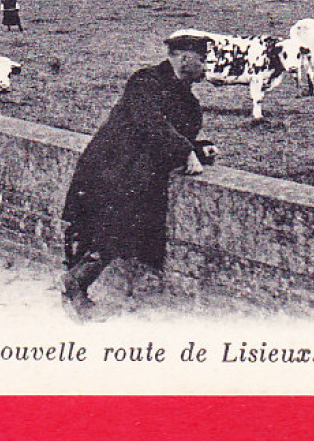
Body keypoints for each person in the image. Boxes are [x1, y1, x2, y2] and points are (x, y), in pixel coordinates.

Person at [59, 31, 217, 321]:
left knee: (120, 233)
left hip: (138, 176)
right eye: (203, 59)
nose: (208, 65)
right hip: (110, 168)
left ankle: (77, 285)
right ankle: (75, 286)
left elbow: (170, 136)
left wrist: (197, 149)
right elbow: (150, 122)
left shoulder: (189, 102)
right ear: (184, 58)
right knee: (105, 231)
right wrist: (186, 150)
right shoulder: (146, 81)